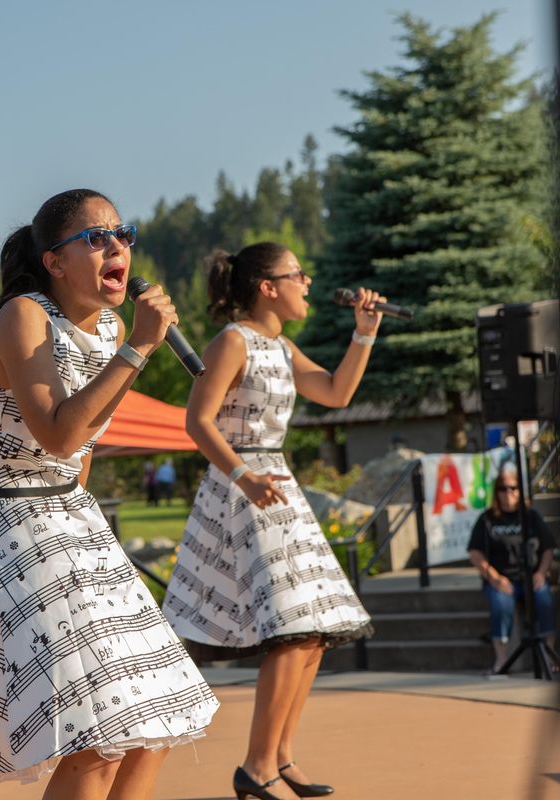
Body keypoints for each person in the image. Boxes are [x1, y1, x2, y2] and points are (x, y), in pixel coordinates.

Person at [0, 189, 218, 799]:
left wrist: (128, 344)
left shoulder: (109, 326)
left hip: (73, 516)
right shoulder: (23, 316)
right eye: (96, 238)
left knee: (153, 715)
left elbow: (85, 447)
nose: (117, 245)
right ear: (54, 261)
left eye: (123, 234)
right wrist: (142, 348)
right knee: (97, 736)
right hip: (12, 522)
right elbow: (58, 431)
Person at [161, 243, 378, 800]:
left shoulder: (279, 345)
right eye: (296, 275)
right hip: (244, 488)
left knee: (313, 630)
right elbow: (197, 420)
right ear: (266, 287)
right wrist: (241, 476)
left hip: (277, 486)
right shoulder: (233, 341)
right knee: (290, 629)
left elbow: (335, 392)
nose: (306, 282)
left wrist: (364, 333)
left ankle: (280, 756)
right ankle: (255, 766)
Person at [466, 464, 557, 675]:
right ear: (496, 492)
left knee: (544, 600)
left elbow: (548, 547)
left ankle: (550, 653)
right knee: (500, 604)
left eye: (513, 488)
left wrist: (541, 573)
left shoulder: (531, 517)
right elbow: (475, 553)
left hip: (531, 577)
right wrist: (494, 577)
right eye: (503, 489)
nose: (509, 493)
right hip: (501, 579)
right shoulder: (487, 519)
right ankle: (501, 660)